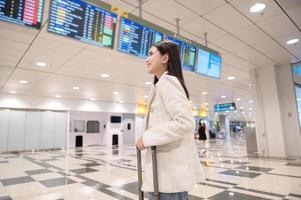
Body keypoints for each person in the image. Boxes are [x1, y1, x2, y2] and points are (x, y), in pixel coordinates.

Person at [136, 41, 204, 200]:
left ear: (165, 58)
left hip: (169, 177)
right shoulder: (159, 85)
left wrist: (147, 138)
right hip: (164, 175)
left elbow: (185, 122)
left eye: (151, 54)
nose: (147, 59)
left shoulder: (167, 82)